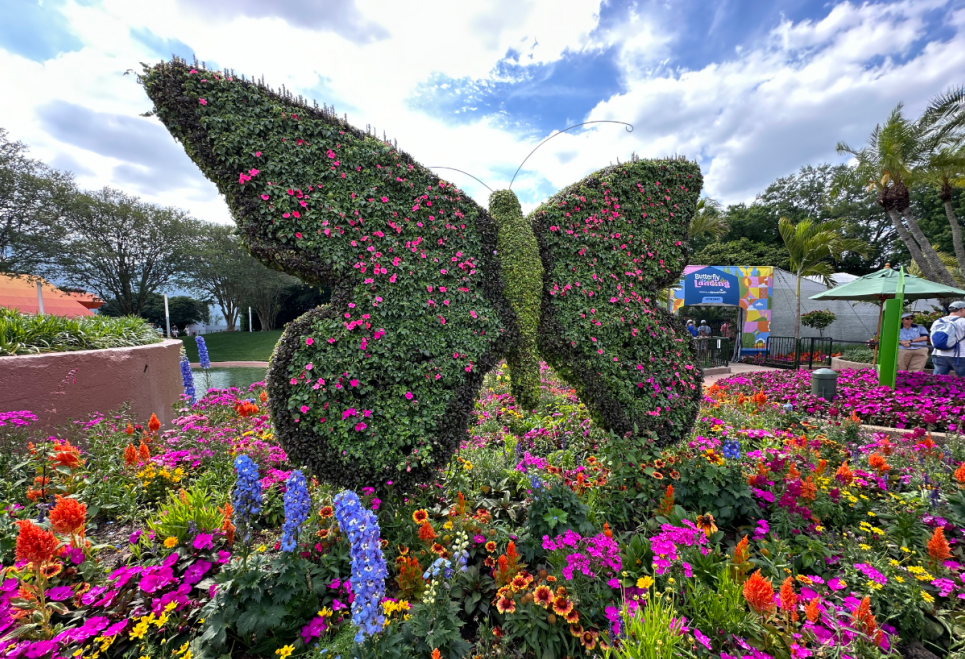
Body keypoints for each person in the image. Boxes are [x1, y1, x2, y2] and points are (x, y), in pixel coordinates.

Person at [931, 301, 965, 376]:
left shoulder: (937, 321)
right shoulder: (963, 322)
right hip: (960, 355)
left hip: (939, 354)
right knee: (963, 380)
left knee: (938, 380)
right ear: (962, 309)